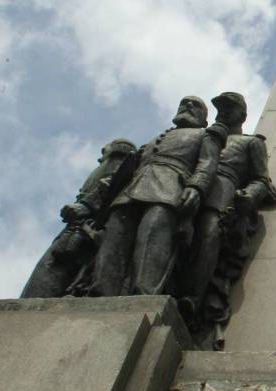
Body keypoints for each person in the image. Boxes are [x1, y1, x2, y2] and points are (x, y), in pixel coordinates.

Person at [90, 96, 225, 297]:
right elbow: (132, 166)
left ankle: (143, 295)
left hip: (169, 189)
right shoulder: (157, 138)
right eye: (183, 102)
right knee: (114, 239)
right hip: (132, 189)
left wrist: (196, 187)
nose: (187, 105)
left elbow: (208, 163)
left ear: (204, 120)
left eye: (195, 105)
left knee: (152, 238)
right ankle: (100, 292)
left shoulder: (206, 134)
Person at [177, 92, 276, 347]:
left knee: (209, 236)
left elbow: (261, 180)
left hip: (222, 193)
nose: (223, 112)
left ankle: (190, 299)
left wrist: (249, 196)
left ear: (242, 116)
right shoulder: (202, 137)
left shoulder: (250, 143)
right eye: (220, 108)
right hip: (185, 189)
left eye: (229, 109)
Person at [21, 138, 136, 298]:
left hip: (90, 224)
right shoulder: (107, 166)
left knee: (51, 270)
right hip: (84, 223)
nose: (100, 157)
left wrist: (86, 205)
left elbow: (111, 185)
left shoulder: (116, 163)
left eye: (104, 150)